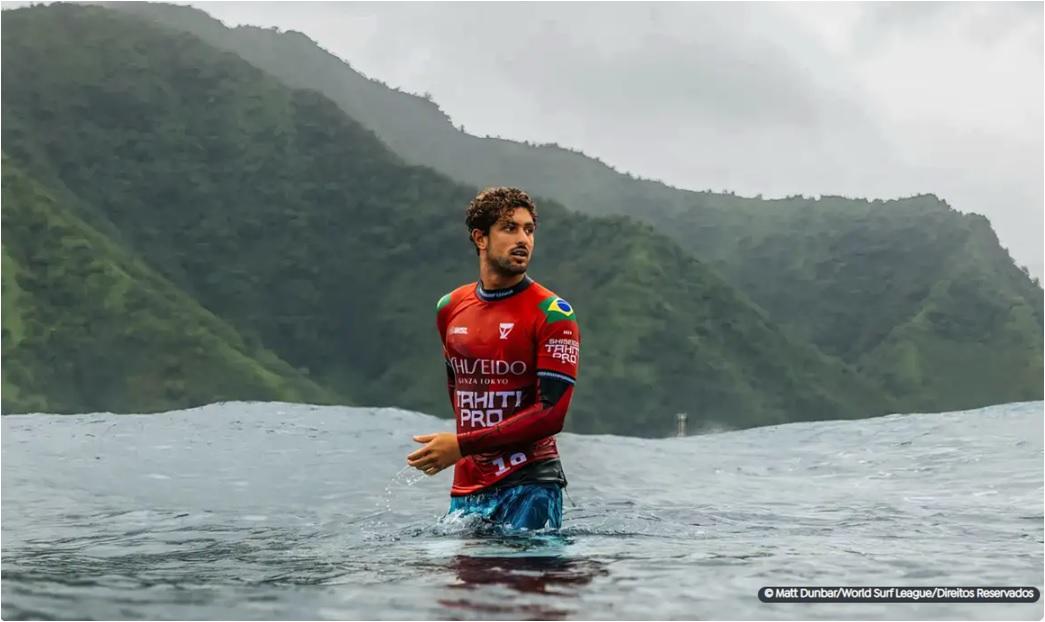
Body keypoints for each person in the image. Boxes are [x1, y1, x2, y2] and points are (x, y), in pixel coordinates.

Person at [406, 186, 580, 531]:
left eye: (529, 230)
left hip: (530, 484)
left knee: (520, 583)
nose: (523, 239)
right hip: (468, 484)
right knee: (462, 584)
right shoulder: (450, 308)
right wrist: (468, 450)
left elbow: (551, 415)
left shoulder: (553, 313)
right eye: (509, 228)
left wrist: (462, 444)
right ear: (480, 238)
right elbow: (459, 388)